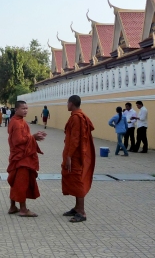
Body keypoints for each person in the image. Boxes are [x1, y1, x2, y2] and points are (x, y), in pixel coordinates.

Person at [7, 100, 46, 217]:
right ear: (16, 109)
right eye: (23, 108)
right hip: (21, 157)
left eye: (26, 108)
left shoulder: (17, 121)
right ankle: (23, 209)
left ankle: (13, 206)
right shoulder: (17, 123)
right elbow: (18, 141)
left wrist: (33, 138)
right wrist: (33, 137)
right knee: (21, 182)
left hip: (19, 155)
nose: (25, 110)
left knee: (15, 181)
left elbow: (23, 138)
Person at [61, 95, 96, 223]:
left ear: (72, 103)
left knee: (78, 180)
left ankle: (81, 212)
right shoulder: (79, 116)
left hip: (75, 156)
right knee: (74, 180)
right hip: (74, 154)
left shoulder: (77, 118)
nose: (67, 105)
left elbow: (75, 140)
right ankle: (77, 207)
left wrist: (69, 156)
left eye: (68, 103)